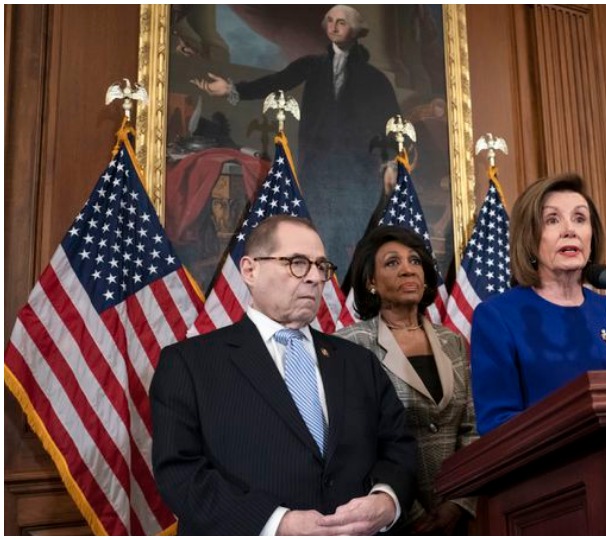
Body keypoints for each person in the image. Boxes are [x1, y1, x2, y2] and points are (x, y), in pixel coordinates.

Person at [150, 215, 417, 535]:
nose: (315, 278)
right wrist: (277, 524)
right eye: (297, 263)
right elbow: (180, 474)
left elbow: (399, 447)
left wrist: (386, 500)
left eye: (321, 266)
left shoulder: (359, 362)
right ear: (250, 270)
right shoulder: (189, 364)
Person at [191, 5, 400, 276]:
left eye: (341, 22)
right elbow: (275, 82)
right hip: (318, 170)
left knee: (356, 244)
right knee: (320, 240)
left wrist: (390, 163)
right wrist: (232, 89)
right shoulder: (312, 65)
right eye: (330, 21)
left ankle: (349, 296)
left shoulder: (375, 79)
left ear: (356, 30)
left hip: (357, 174)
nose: (334, 27)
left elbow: (392, 124)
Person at [470, 173, 606, 435]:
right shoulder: (498, 317)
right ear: (529, 237)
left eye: (580, 218)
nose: (569, 230)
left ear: (592, 235)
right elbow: (497, 423)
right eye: (552, 220)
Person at [336, 225, 479, 534]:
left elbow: (471, 426)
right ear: (371, 281)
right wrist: (408, 511)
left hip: (458, 513)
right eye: (392, 262)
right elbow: (358, 443)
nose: (407, 269)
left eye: (414, 260)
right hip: (393, 517)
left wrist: (459, 502)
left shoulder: (452, 341)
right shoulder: (351, 344)